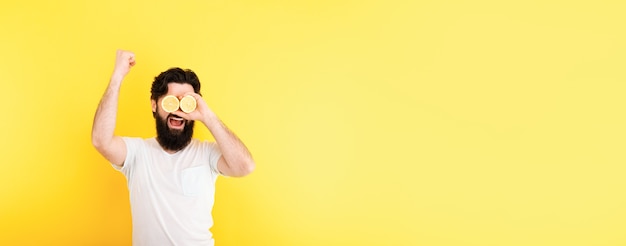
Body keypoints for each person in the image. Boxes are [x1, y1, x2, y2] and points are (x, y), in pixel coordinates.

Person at [92, 50, 255, 246]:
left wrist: (207, 116)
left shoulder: (206, 154)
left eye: (185, 102)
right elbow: (101, 140)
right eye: (171, 101)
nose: (178, 109)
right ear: (154, 105)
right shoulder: (137, 153)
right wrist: (117, 76)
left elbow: (245, 166)